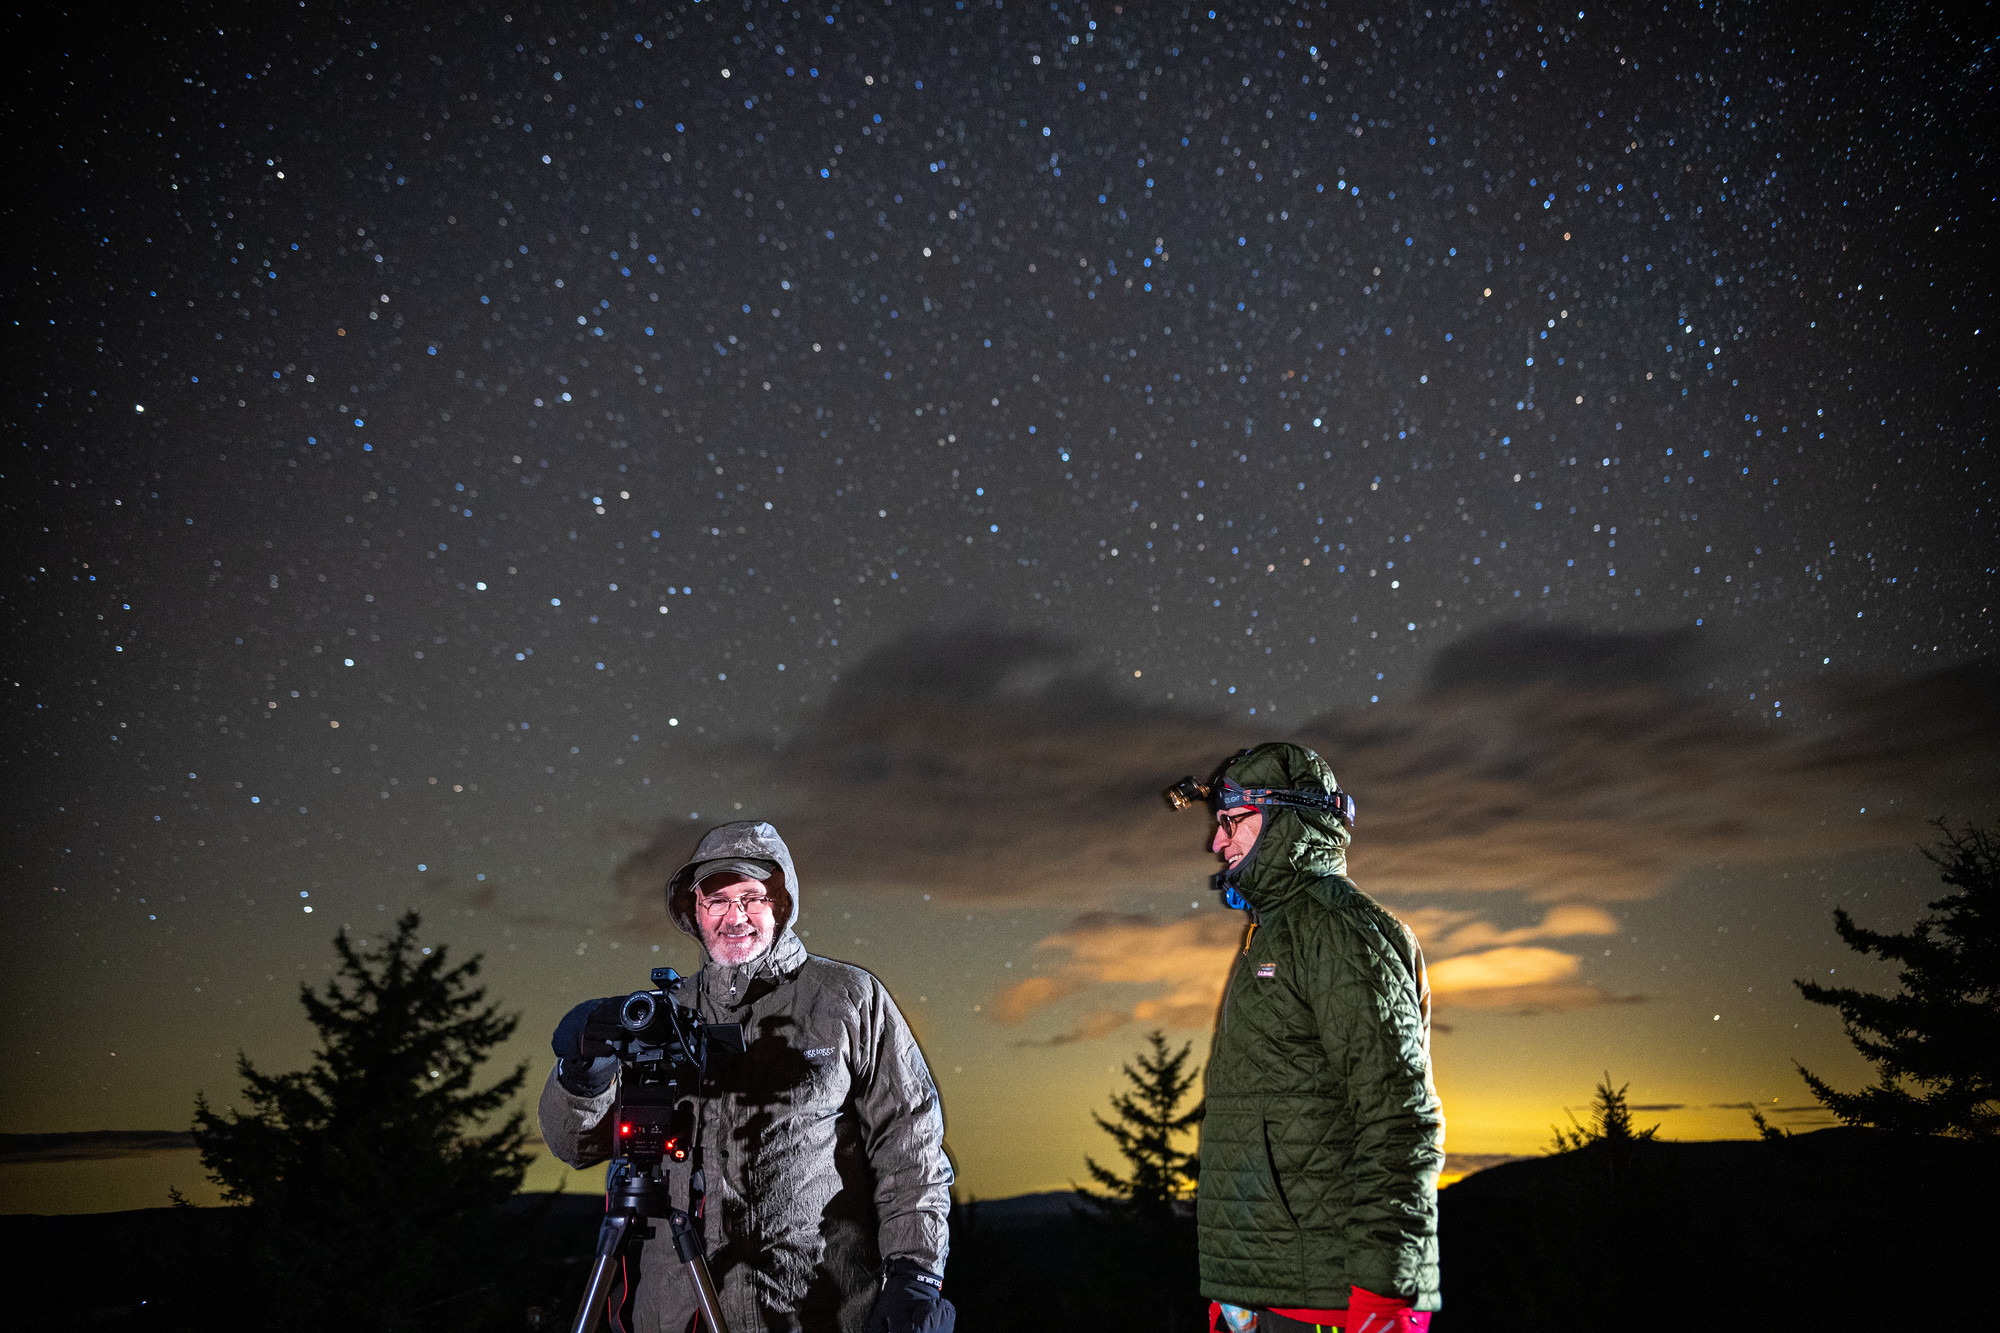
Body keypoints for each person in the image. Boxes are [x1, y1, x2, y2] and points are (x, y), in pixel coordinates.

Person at [540, 820, 955, 1333]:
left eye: (751, 898)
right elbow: (574, 1146)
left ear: (780, 905)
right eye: (716, 900)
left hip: (814, 1306)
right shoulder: (660, 1015)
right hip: (674, 1310)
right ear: (693, 911)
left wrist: (915, 1273)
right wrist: (583, 1074)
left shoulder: (847, 998)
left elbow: (910, 1143)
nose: (734, 916)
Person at [1182, 743, 1443, 1333]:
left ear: (1284, 819)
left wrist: (1388, 1299)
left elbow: (1399, 1117)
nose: (1217, 844)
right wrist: (1237, 1285)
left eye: (1231, 823)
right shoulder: (1272, 935)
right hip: (1266, 1295)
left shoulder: (1340, 929)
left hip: (1327, 1304)